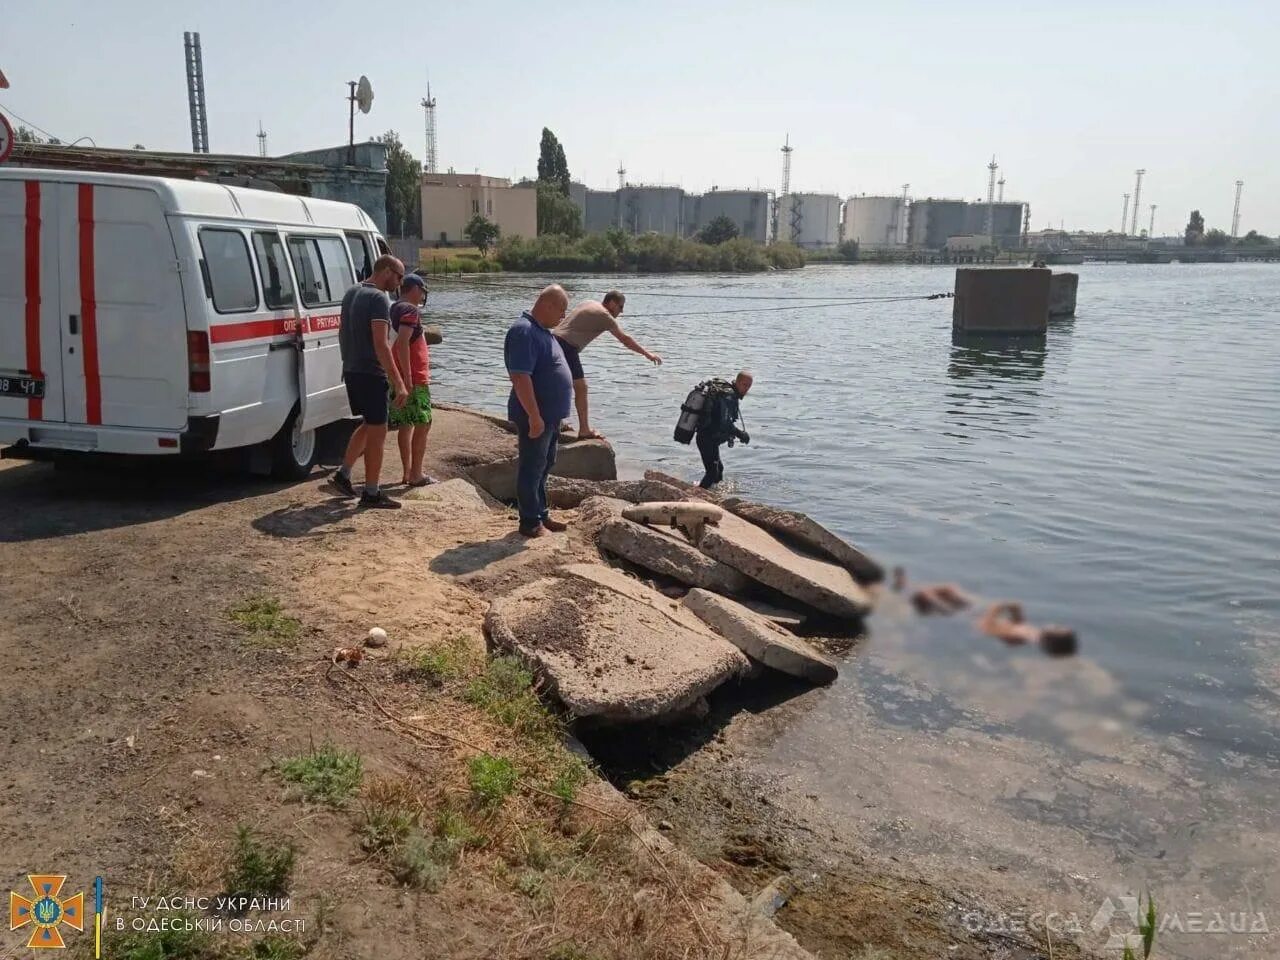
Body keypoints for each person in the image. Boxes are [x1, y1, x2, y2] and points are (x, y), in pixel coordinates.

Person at [328, 254, 409, 508]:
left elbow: (342, 333)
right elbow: (381, 343)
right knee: (378, 432)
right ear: (386, 271)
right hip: (371, 373)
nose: (399, 283)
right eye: (398, 276)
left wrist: (347, 362)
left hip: (352, 369)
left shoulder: (352, 292)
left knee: (370, 424)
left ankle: (343, 475)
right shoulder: (378, 298)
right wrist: (398, 381)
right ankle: (372, 492)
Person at [505, 285, 574, 537]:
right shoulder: (523, 331)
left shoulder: (543, 332)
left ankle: (541, 514)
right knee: (532, 467)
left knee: (545, 464)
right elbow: (520, 376)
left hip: (550, 416)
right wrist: (534, 415)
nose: (563, 317)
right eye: (562, 310)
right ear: (548, 305)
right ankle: (530, 522)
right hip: (536, 415)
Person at [553, 290, 662, 440]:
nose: (622, 311)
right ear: (611, 303)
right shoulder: (605, 316)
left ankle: (555, 422)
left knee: (559, 384)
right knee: (581, 387)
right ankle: (584, 429)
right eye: (621, 306)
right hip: (567, 346)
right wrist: (647, 354)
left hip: (553, 341)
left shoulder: (589, 302)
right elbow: (625, 339)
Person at [388, 274, 436, 487]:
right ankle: (416, 474)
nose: (423, 295)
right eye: (422, 290)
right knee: (424, 423)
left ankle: (407, 472)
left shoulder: (393, 308)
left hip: (399, 375)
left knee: (406, 424)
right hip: (414, 378)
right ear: (414, 288)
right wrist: (407, 378)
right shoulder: (410, 310)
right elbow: (402, 344)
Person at [694, 371, 752, 489]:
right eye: (744, 385)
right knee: (712, 473)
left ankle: (712, 495)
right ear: (737, 382)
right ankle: (695, 499)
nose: (747, 389)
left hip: (710, 439)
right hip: (707, 439)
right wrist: (741, 434)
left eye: (749, 386)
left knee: (718, 471)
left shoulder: (728, 394)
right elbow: (725, 424)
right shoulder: (728, 396)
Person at [976, 602, 1078, 657]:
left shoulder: (1024, 636)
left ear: (1051, 637)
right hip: (992, 618)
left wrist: (995, 608)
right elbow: (1018, 625)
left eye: (1057, 628)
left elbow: (986, 629)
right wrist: (1015, 611)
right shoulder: (1033, 635)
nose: (1055, 624)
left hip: (977, 619)